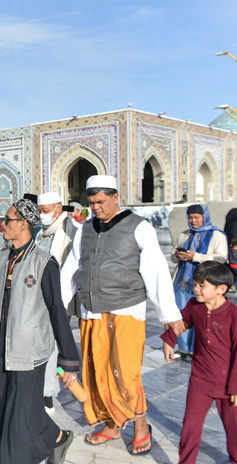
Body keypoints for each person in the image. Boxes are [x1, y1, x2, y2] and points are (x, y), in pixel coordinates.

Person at [60, 175, 185, 455]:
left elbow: (155, 270)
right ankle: (111, 425)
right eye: (92, 203)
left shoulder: (139, 226)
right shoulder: (85, 229)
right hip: (92, 312)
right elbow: (72, 269)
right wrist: (57, 306)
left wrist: (169, 313)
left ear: (116, 197)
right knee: (96, 371)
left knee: (126, 374)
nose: (96, 208)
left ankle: (141, 425)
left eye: (101, 202)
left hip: (126, 310)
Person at [0, 198, 80, 464]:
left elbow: (58, 312)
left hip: (30, 352)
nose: (2, 224)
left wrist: (68, 360)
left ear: (23, 224)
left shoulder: (44, 264)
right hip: (7, 348)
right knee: (19, 408)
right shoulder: (6, 257)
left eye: (7, 219)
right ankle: (57, 438)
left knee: (17, 421)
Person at [161, 261, 237, 464]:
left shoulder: (235, 317)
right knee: (190, 426)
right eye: (195, 284)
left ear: (221, 289)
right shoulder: (195, 306)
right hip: (200, 380)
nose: (196, 289)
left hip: (230, 384)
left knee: (236, 431)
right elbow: (182, 321)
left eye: (202, 285)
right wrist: (170, 340)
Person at [36, 191, 81, 415]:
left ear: (57, 208)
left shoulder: (71, 231)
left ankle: (47, 394)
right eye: (40, 211)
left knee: (52, 346)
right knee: (41, 344)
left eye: (45, 211)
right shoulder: (42, 232)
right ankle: (40, 389)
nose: (42, 216)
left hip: (57, 298)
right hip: (38, 298)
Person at [171, 204, 227, 359]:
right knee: (182, 314)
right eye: (190, 217)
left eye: (197, 217)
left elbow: (221, 258)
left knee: (203, 317)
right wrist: (177, 256)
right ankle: (183, 349)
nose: (193, 221)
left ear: (205, 217)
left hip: (206, 284)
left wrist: (196, 257)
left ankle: (200, 349)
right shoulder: (185, 235)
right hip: (183, 283)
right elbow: (173, 255)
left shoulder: (217, 235)